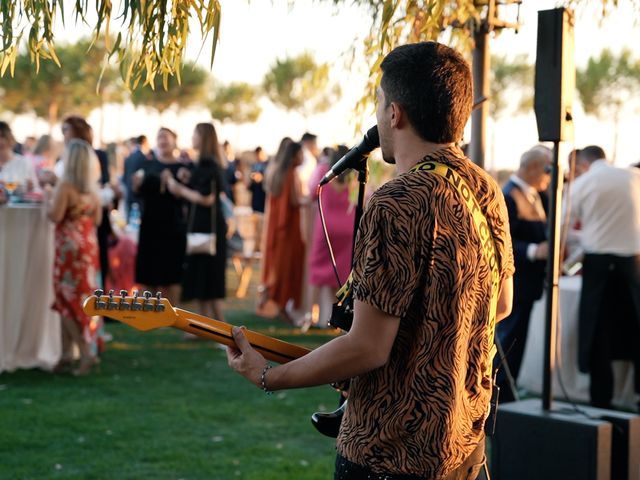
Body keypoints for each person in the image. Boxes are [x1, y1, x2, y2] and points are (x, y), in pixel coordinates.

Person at [227, 41, 514, 479]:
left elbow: (366, 347)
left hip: (391, 453)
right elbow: (502, 302)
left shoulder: (396, 201)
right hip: (464, 446)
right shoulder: (485, 188)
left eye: (379, 102)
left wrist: (269, 376)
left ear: (395, 113)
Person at [567, 146, 640, 410]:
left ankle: (601, 398)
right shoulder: (633, 176)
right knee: (636, 323)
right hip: (633, 262)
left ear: (584, 163)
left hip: (598, 263)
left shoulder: (582, 183)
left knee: (599, 330)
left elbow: (564, 224)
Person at [496, 145, 551, 403]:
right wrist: (532, 250)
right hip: (516, 282)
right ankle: (500, 394)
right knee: (509, 339)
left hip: (530, 283)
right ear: (531, 168)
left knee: (519, 340)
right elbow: (503, 242)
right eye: (547, 170)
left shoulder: (540, 195)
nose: (549, 177)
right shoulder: (507, 195)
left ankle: (510, 388)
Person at [46, 140, 102, 376]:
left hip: (68, 249)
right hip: (88, 246)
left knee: (66, 301)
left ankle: (85, 353)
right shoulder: (93, 189)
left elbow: (55, 216)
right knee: (79, 299)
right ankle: (66, 355)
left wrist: (49, 194)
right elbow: (97, 220)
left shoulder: (64, 187)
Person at [168, 123, 227, 321]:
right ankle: (206, 327)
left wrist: (179, 188)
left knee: (210, 278)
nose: (192, 137)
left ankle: (223, 330)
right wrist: (188, 178)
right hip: (204, 227)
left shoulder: (208, 163)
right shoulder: (204, 163)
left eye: (195, 133)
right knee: (203, 277)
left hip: (207, 228)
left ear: (203, 137)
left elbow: (206, 197)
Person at [133, 127, 188, 306]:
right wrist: (136, 184)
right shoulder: (147, 165)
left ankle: (173, 313)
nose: (162, 141)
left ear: (174, 140)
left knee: (172, 273)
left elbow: (185, 196)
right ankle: (149, 312)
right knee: (148, 273)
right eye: (159, 137)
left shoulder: (183, 168)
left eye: (166, 137)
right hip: (150, 224)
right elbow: (137, 192)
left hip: (173, 225)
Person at [259, 139, 308, 324]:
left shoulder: (278, 171)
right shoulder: (291, 174)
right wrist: (312, 198)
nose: (303, 157)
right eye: (301, 154)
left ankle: (270, 294)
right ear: (295, 155)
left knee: (279, 266)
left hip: (278, 228)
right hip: (289, 228)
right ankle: (279, 302)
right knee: (288, 268)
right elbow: (295, 201)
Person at [307, 145, 355, 328]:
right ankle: (334, 318)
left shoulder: (323, 171)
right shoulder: (353, 175)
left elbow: (312, 190)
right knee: (340, 275)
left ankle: (310, 315)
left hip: (326, 228)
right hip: (347, 228)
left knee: (316, 272)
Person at [0, 121, 39, 193]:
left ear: (9, 139)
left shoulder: (24, 163)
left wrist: (30, 189)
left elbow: (36, 189)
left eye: (2, 137)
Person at [248, 146, 269, 252]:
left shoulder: (268, 165)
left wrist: (262, 179)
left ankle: (261, 248)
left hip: (263, 200)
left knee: (263, 227)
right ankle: (257, 248)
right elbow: (250, 186)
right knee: (256, 227)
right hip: (255, 200)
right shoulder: (254, 166)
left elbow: (269, 183)